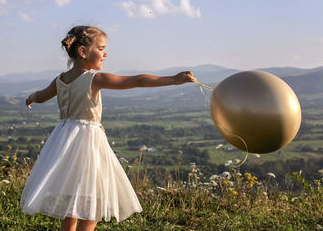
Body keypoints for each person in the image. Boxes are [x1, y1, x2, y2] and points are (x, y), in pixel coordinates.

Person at [20, 25, 194, 231]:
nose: (105, 53)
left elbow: (41, 95)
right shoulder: (94, 79)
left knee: (72, 200)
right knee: (94, 197)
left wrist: (31, 97)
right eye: (101, 48)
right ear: (84, 52)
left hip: (63, 141)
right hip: (87, 142)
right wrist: (173, 80)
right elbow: (135, 81)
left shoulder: (60, 80)